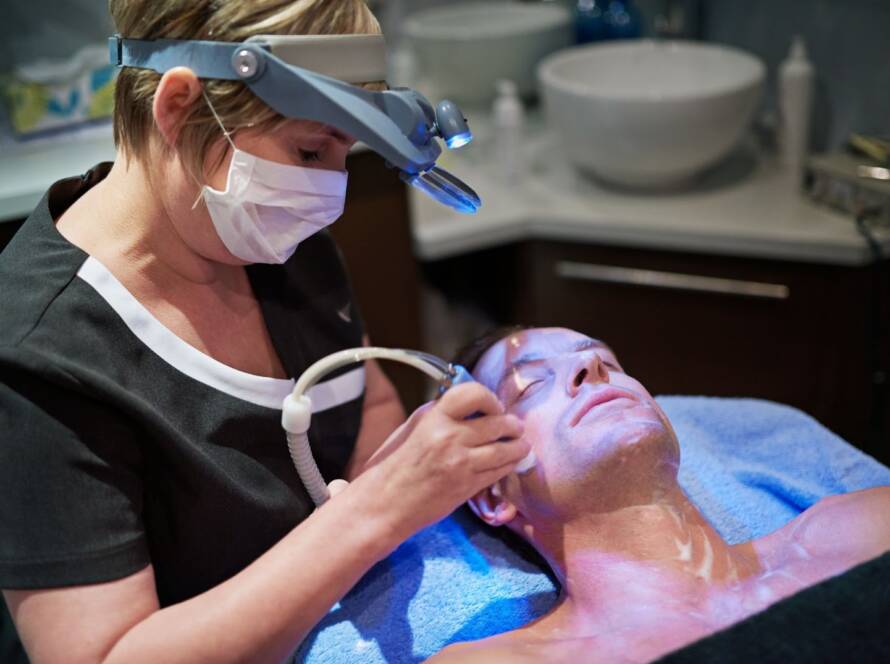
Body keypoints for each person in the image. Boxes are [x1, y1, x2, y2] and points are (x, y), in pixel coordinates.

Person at [0, 2, 529, 662]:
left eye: (344, 151)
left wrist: (433, 481)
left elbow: (366, 408)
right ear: (179, 107)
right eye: (309, 149)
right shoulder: (38, 356)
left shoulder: (264, 235)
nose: (328, 192)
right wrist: (376, 513)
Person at [429, 326, 890, 663]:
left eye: (608, 362)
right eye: (530, 385)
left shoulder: (862, 531)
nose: (590, 368)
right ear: (493, 496)